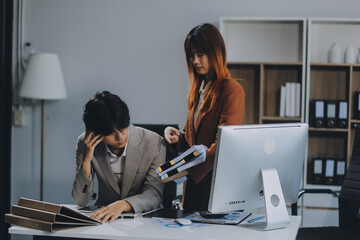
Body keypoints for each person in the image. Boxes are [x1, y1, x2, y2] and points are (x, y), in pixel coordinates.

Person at [163, 23, 245, 211]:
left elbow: (223, 145)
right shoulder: (197, 91)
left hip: (216, 189)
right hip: (193, 189)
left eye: (200, 54)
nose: (195, 61)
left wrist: (184, 169)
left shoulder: (231, 90)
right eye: (191, 55)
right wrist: (177, 137)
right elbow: (195, 142)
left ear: (216, 53)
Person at [72, 91, 165, 223]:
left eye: (122, 128)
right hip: (104, 219)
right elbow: (81, 200)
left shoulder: (155, 142)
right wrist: (86, 160)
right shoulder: (86, 143)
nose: (120, 137)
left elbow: (154, 194)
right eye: (110, 133)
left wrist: (122, 205)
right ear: (95, 132)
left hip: (146, 219)